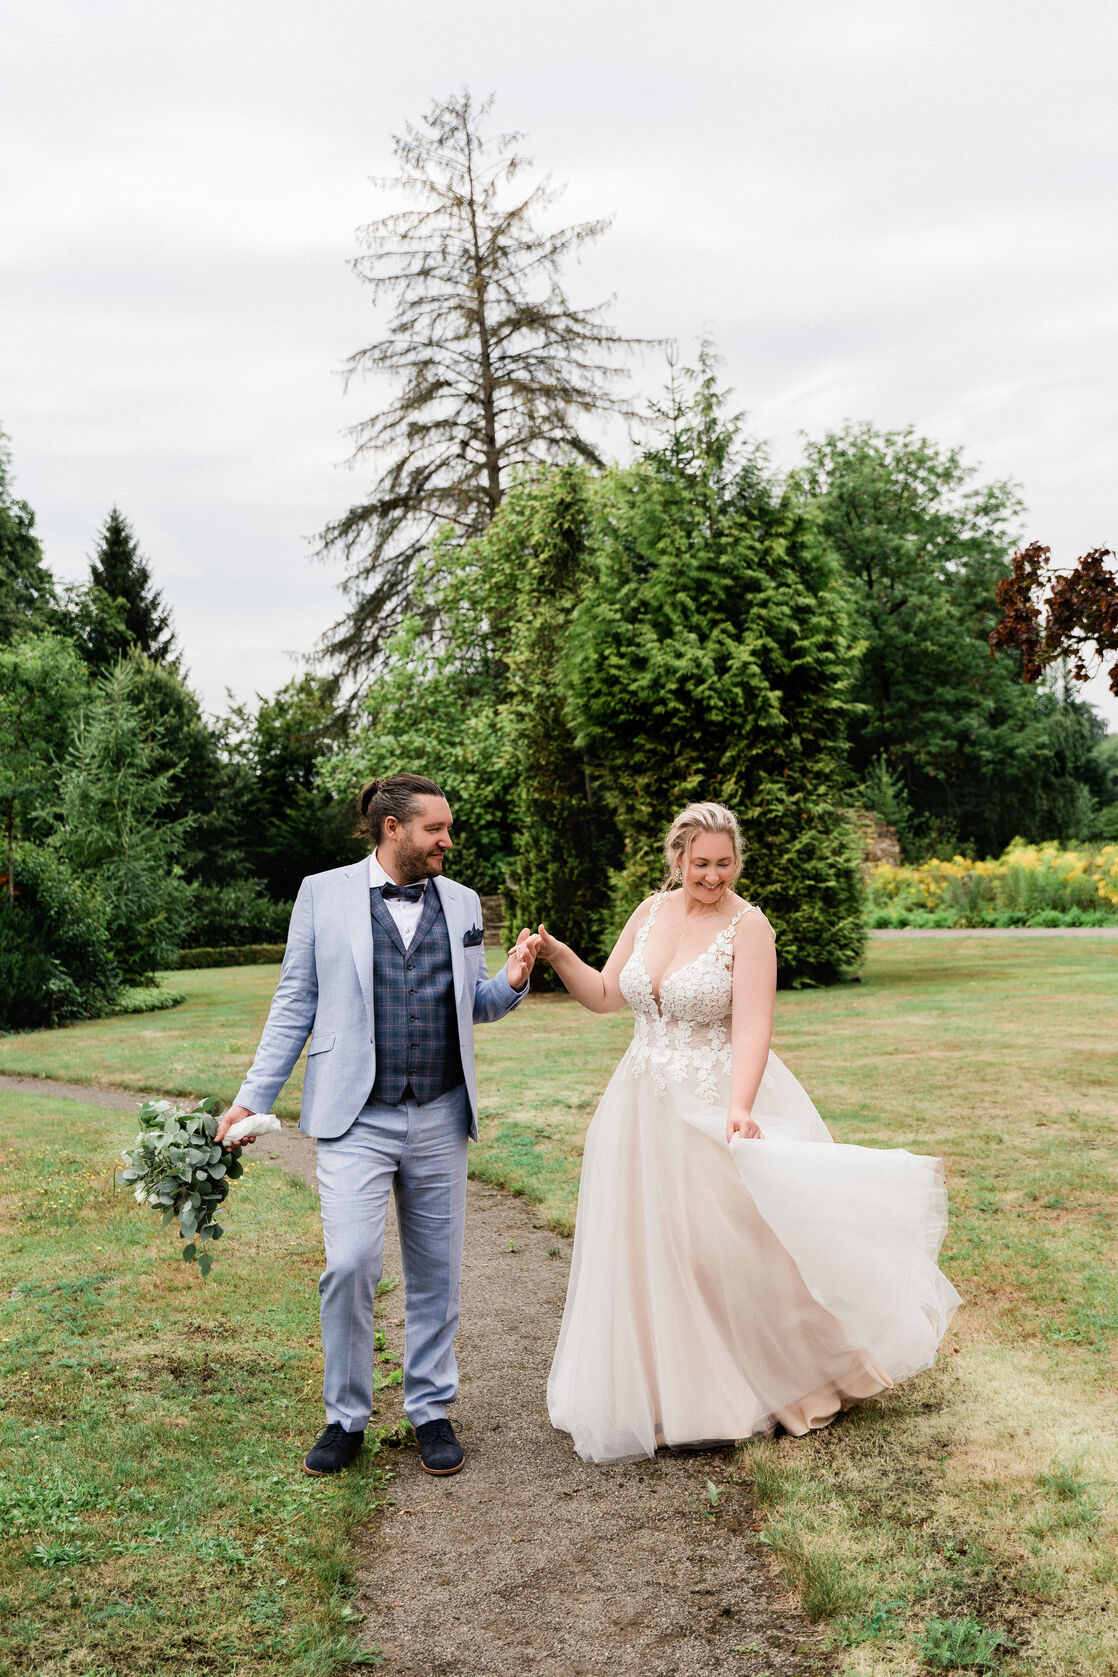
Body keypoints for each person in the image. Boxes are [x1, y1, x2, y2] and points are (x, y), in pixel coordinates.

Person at [538, 801, 960, 1463]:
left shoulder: (748, 925)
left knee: (724, 1247)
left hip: (712, 1095)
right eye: (700, 863)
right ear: (677, 858)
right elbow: (603, 995)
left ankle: (799, 1371)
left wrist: (738, 1106)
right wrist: (557, 953)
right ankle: (663, 1396)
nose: (712, 875)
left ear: (737, 860)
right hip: (640, 1104)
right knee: (651, 1248)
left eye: (724, 863)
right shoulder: (648, 913)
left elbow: (754, 1026)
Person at [216, 774, 538, 1478]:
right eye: (436, 829)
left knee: (436, 1272)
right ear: (394, 829)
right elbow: (294, 1001)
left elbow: (473, 1003)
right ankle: (346, 1416)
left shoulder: (460, 902)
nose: (448, 839)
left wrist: (510, 981)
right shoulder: (321, 894)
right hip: (354, 1114)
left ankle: (430, 1408)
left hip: (440, 1110)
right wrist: (249, 1097)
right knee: (351, 1263)